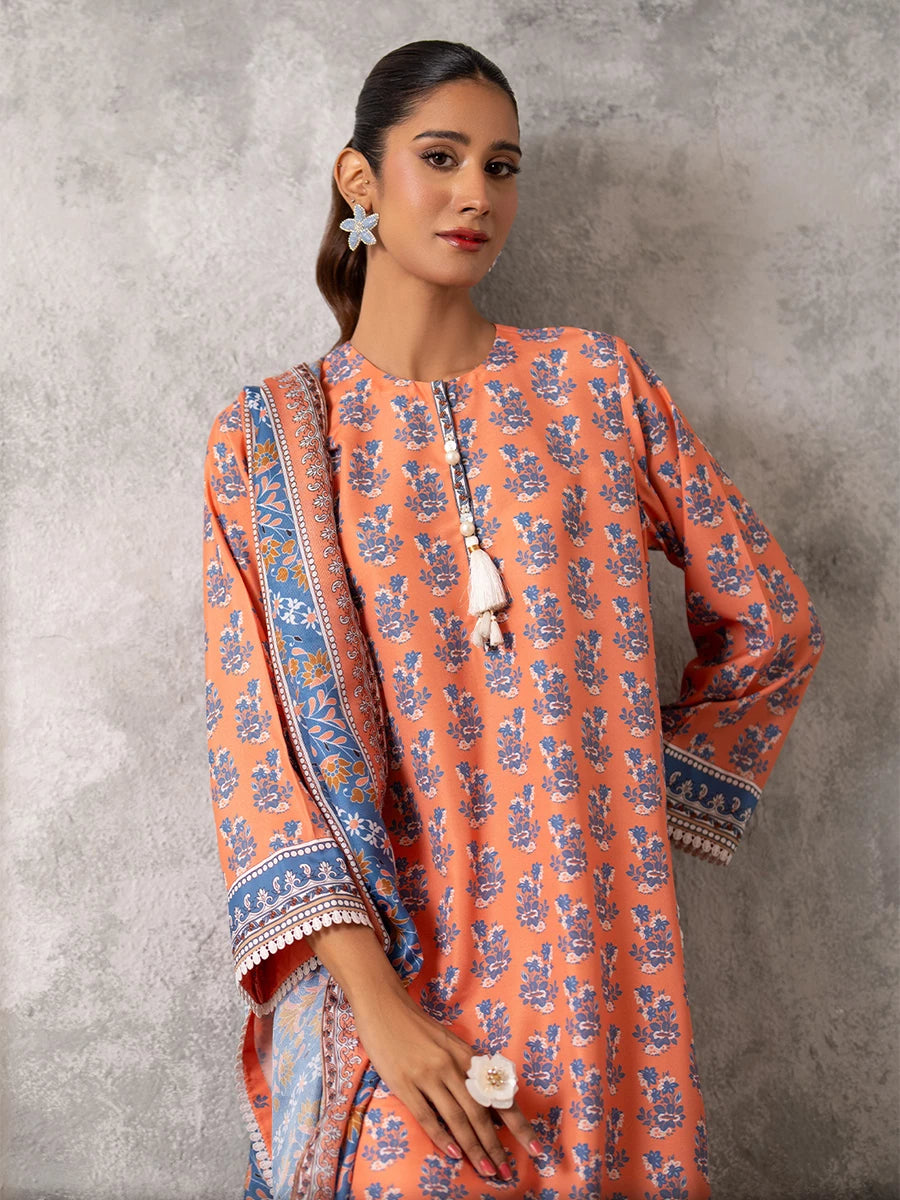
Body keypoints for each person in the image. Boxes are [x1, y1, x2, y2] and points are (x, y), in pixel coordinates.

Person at [203, 40, 825, 1200]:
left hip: (594, 973)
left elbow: (773, 625)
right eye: (441, 158)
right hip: (390, 993)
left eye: (502, 166)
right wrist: (382, 1015)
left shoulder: (594, 386)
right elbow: (257, 762)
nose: (477, 194)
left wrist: (633, 796)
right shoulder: (272, 439)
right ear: (359, 180)